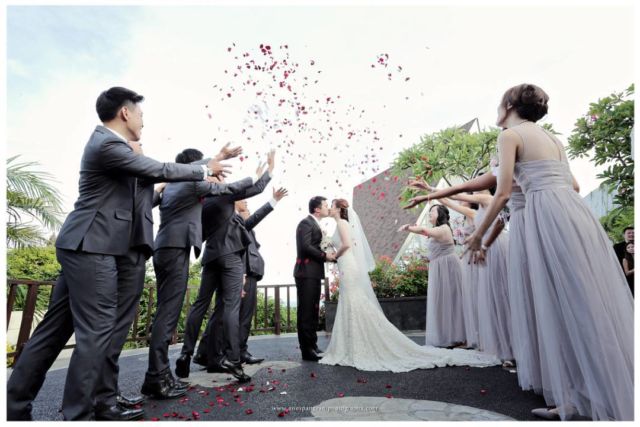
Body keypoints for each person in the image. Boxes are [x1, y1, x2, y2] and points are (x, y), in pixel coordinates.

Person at [8, 87, 233, 420]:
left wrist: (158, 178)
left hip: (106, 248)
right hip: (92, 245)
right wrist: (203, 166)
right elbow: (161, 169)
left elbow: (147, 185)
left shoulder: (119, 153)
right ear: (125, 113)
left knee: (58, 329)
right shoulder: (106, 142)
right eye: (140, 113)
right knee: (95, 330)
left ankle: (32, 406)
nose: (143, 120)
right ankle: (78, 414)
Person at [466, 83, 634, 421]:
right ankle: (602, 387)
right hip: (573, 214)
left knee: (556, 304)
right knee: (585, 301)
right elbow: (574, 186)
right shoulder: (554, 140)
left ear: (510, 104)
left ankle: (572, 398)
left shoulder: (510, 136)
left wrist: (477, 238)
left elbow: (500, 195)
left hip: (544, 215)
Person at [7, 143, 162, 421]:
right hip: (113, 253)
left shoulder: (122, 175)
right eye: (136, 143)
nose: (141, 144)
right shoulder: (121, 163)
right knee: (103, 331)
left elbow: (132, 204)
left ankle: (13, 407)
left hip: (85, 247)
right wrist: (203, 169)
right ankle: (92, 406)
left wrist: (156, 193)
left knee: (55, 329)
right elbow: (157, 177)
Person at [319, 199, 499, 371]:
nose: (329, 208)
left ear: (337, 209)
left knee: (355, 301)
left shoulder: (342, 223)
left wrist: (333, 256)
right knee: (352, 302)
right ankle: (352, 342)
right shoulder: (341, 224)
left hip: (347, 264)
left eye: (331, 205)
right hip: (347, 265)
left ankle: (360, 341)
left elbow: (347, 244)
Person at [141, 147, 252, 398]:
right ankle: (156, 377)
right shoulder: (188, 182)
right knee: (167, 315)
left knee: (166, 314)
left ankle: (161, 373)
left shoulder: (171, 187)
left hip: (166, 247)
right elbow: (227, 189)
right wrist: (244, 173)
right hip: (174, 248)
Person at [177, 151, 275, 381]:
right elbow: (256, 188)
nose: (221, 177)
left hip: (210, 256)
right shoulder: (220, 193)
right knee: (231, 306)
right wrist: (269, 169)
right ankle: (233, 358)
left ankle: (185, 353)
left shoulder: (199, 197)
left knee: (200, 305)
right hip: (230, 256)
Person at [398, 204, 466, 348]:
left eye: (432, 211)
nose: (429, 214)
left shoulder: (443, 228)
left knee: (452, 301)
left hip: (448, 268)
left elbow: (423, 230)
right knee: (444, 302)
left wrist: (407, 227)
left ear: (440, 213)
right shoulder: (437, 230)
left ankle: (460, 336)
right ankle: (450, 335)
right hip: (440, 268)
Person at [293, 196, 336, 361]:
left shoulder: (315, 224)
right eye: (325, 205)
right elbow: (305, 246)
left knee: (313, 311)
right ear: (317, 209)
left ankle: (313, 345)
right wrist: (325, 255)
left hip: (314, 273)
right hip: (306, 273)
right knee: (306, 312)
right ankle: (306, 350)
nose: (327, 207)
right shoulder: (305, 223)